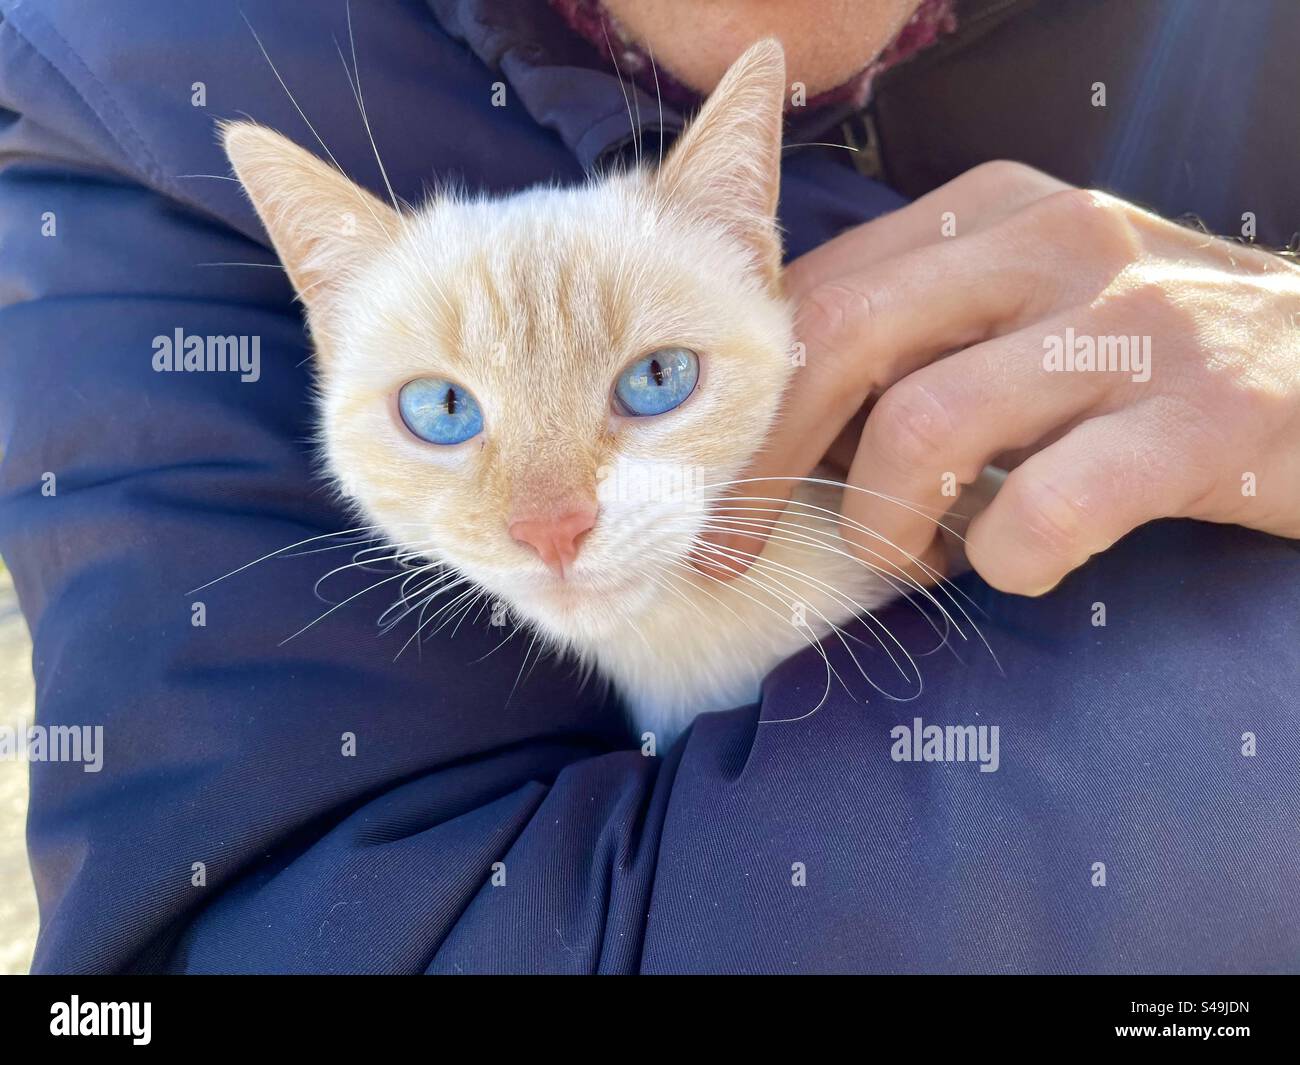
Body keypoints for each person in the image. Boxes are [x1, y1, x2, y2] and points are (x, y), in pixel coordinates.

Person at [0, 0, 1296, 974]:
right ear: (331, 332)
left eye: (653, 380)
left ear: (752, 243)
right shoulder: (117, 99)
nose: (548, 514)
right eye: (447, 412)